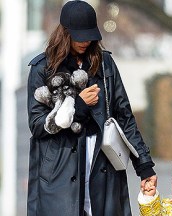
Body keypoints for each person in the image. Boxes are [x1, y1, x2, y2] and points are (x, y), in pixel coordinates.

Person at [27, 1, 157, 216]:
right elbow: (37, 125)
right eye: (79, 35)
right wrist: (77, 107)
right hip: (59, 174)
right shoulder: (43, 68)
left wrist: (144, 166)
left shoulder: (105, 64)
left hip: (102, 168)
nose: (85, 41)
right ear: (65, 33)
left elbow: (124, 115)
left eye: (90, 35)